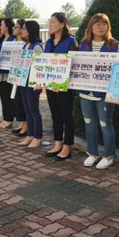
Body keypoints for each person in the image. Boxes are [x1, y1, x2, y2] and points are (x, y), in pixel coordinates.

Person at [79, 13, 119, 170]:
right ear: (91, 26)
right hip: (85, 91)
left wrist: (118, 93)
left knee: (105, 124)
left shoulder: (115, 46)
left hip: (105, 93)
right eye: (97, 24)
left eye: (104, 24)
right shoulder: (83, 44)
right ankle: (92, 153)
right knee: (89, 122)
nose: (100, 27)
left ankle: (109, 155)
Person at [44, 13, 79, 160]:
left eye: (53, 22)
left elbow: (74, 63)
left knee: (66, 116)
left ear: (62, 24)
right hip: (50, 85)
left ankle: (67, 146)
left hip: (65, 86)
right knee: (55, 115)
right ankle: (57, 143)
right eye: (49, 22)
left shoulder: (71, 41)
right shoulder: (49, 42)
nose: (50, 25)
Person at [19, 21, 43, 148]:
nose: (22, 31)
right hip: (24, 81)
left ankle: (37, 137)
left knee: (34, 110)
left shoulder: (37, 46)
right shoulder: (26, 45)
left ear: (30, 31)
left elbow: (39, 66)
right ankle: (30, 134)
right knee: (27, 110)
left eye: (24, 29)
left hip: (33, 83)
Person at [0, 18, 17, 129]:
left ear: (7, 26)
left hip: (9, 73)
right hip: (0, 72)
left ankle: (9, 119)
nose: (0, 27)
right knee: (3, 96)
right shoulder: (1, 40)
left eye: (2, 25)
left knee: (9, 97)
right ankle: (6, 118)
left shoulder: (14, 40)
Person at [11, 18, 28, 137]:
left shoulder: (28, 44)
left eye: (17, 27)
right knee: (17, 101)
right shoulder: (14, 42)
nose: (14, 29)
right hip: (16, 75)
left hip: (24, 78)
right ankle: (22, 123)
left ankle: (26, 125)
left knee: (23, 103)